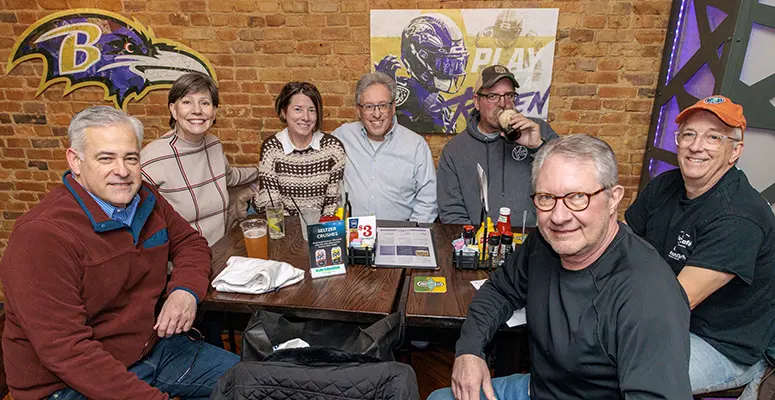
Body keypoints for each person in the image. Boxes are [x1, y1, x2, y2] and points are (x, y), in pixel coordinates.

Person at [0, 106, 239, 399]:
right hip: (68, 383)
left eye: (130, 158)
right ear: (75, 161)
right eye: (106, 158)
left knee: (253, 385)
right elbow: (67, 351)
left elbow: (190, 244)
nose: (122, 171)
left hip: (151, 349)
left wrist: (185, 291)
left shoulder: (146, 197)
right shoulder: (41, 236)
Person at [429, 134, 692, 400]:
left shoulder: (649, 294)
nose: (558, 216)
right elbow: (499, 289)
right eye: (546, 198)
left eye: (578, 197)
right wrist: (469, 351)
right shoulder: (544, 244)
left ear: (613, 199)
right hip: (538, 390)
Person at [625, 95, 775, 399]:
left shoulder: (739, 216)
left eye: (713, 137)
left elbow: (674, 302)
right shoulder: (664, 186)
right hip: (671, 321)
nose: (696, 146)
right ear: (678, 141)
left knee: (618, 372)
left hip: (723, 344)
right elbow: (620, 245)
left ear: (734, 152)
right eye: (689, 134)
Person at [141, 72, 258, 246]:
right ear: (173, 109)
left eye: (204, 103)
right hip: (183, 263)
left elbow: (231, 177)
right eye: (187, 102)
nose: (197, 110)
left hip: (222, 253)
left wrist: (265, 170)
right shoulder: (151, 159)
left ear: (214, 111)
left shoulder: (214, 145)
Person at [437, 64, 558, 227]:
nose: (503, 103)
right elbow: (451, 212)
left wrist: (537, 147)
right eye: (493, 96)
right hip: (481, 241)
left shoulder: (537, 130)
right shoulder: (455, 149)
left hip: (533, 239)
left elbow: (568, 180)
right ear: (477, 102)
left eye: (509, 95)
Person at [332, 72, 437, 223]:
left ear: (393, 107)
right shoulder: (342, 137)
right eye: (369, 107)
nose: (376, 114)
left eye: (382, 106)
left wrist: (412, 233)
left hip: (400, 235)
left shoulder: (416, 146)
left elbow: (428, 200)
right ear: (358, 110)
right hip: (352, 235)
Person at [254, 81, 346, 216]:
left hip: (321, 230)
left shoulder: (333, 149)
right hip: (284, 228)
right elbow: (272, 205)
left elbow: (333, 204)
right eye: (298, 109)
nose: (306, 117)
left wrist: (319, 232)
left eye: (311, 110)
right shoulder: (272, 149)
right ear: (284, 112)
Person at [374, 13, 469, 134]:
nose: (452, 72)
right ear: (419, 58)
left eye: (455, 64)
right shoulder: (403, 91)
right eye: (444, 63)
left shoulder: (440, 103)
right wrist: (383, 90)